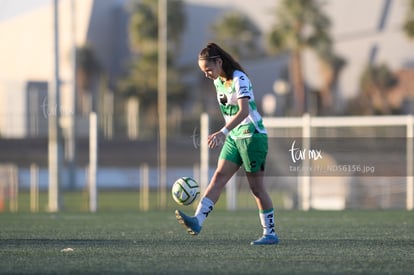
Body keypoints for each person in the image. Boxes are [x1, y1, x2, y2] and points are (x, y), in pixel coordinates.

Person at [175, 42, 279, 245]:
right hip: (234, 137)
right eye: (203, 71)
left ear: (219, 62)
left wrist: (222, 132)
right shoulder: (217, 82)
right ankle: (197, 221)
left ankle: (270, 233)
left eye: (209, 69)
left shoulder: (239, 79)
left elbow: (244, 112)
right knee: (218, 178)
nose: (207, 74)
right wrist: (227, 132)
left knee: (256, 188)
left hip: (252, 136)